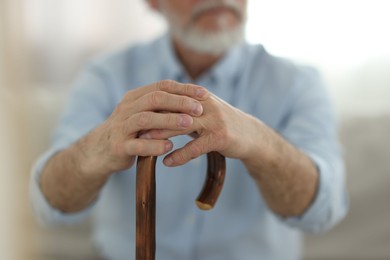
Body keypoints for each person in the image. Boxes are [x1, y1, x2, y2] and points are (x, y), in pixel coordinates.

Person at [30, 0, 348, 259]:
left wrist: (259, 141)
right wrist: (99, 147)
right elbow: (51, 206)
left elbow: (321, 212)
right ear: (153, 2)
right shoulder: (105, 76)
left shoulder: (299, 83)